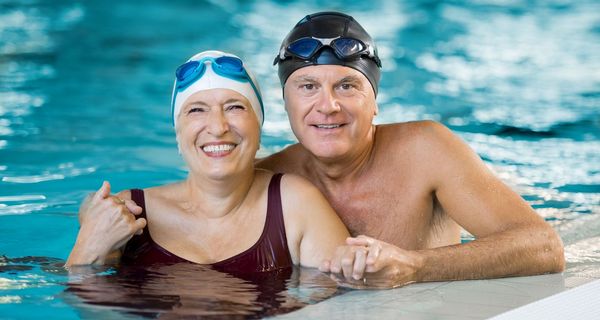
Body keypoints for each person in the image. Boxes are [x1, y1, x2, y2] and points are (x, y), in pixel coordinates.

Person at [258, 11, 565, 288]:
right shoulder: (268, 180)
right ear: (286, 102)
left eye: (347, 86)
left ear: (375, 101)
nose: (328, 106)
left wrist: (414, 265)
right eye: (308, 87)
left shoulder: (426, 151)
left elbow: (543, 246)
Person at [65, 50, 350, 274]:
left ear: (259, 129)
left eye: (235, 107)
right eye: (196, 110)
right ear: (178, 136)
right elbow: (85, 306)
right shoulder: (128, 215)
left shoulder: (294, 205)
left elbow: (350, 304)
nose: (217, 126)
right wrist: (87, 249)